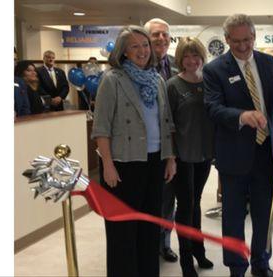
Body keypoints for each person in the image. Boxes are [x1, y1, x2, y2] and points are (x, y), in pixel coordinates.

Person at [91, 25, 176, 277]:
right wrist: (107, 164)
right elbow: (101, 128)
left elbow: (166, 122)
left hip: (154, 162)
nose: (142, 51)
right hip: (123, 165)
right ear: (124, 52)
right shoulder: (112, 79)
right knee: (123, 232)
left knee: (150, 228)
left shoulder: (157, 79)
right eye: (135, 46)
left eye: (145, 45)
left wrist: (170, 158)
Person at [203, 14, 273, 277]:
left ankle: (261, 262)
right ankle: (237, 267)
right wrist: (241, 116)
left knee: (263, 216)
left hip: (265, 154)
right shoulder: (214, 70)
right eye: (236, 41)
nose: (243, 46)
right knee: (233, 218)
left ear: (254, 36)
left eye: (247, 39)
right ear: (226, 39)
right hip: (233, 156)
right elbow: (213, 108)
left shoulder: (269, 63)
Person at [166, 37, 215, 276]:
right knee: (185, 207)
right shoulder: (173, 85)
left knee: (195, 204)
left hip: (204, 155)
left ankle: (199, 251)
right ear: (180, 59)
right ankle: (187, 260)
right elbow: (168, 125)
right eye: (186, 56)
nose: (191, 60)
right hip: (182, 156)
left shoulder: (209, 83)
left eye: (195, 56)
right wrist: (171, 158)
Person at [144, 17, 181, 262]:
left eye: (165, 35)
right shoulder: (137, 66)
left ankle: (164, 243)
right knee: (148, 198)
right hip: (147, 147)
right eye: (156, 34)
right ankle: (146, 243)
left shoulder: (179, 66)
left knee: (168, 199)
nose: (161, 38)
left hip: (174, 145)